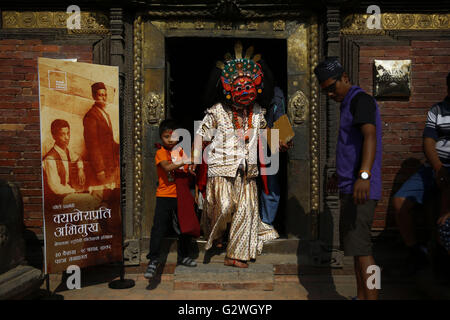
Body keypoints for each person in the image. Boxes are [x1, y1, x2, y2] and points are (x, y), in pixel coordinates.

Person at [194, 43, 279, 268]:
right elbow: (200, 135)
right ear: (228, 88)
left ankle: (236, 255)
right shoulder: (216, 111)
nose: (244, 90)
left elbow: (265, 135)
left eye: (248, 86)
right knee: (222, 207)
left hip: (247, 171)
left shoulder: (259, 112)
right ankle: (219, 235)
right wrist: (193, 160)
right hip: (220, 169)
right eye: (238, 86)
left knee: (245, 211)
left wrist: (280, 142)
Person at [314, 58, 382, 300]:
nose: (330, 93)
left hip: (361, 188)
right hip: (350, 185)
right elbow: (350, 146)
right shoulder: (347, 103)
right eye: (325, 91)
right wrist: (338, 175)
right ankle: (362, 296)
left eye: (333, 87)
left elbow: (370, 137)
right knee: (356, 249)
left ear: (345, 78)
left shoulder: (360, 100)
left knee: (364, 250)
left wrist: (364, 175)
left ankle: (372, 297)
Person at [393, 72, 450, 266]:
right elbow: (428, 142)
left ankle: (442, 256)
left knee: (444, 210)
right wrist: (438, 168)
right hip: (434, 167)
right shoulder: (437, 110)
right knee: (400, 202)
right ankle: (416, 251)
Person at [144, 119, 197, 279]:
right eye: (166, 137)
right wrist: (185, 161)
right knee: (159, 229)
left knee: (184, 228)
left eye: (173, 136)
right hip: (164, 196)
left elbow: (187, 169)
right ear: (161, 138)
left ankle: (183, 256)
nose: (170, 140)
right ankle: (153, 260)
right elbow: (167, 167)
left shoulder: (180, 151)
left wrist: (191, 170)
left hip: (181, 196)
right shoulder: (160, 152)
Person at [83, 82, 120, 189]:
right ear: (94, 96)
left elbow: (109, 141)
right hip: (101, 169)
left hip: (110, 165)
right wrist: (99, 170)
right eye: (100, 95)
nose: (103, 98)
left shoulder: (105, 114)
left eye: (105, 95)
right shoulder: (91, 115)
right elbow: (92, 145)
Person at [42, 119, 86, 208]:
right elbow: (56, 188)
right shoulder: (49, 159)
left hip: (67, 192)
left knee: (90, 199)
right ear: (54, 136)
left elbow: (78, 158)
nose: (67, 138)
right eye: (62, 134)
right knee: (88, 200)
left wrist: (80, 169)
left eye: (68, 133)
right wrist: (74, 192)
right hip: (56, 198)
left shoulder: (66, 150)